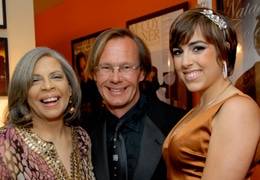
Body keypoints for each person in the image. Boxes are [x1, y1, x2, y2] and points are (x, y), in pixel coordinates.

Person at [162, 8, 260, 180]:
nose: (185, 62)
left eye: (197, 48)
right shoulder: (199, 109)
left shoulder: (237, 108)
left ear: (223, 51)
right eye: (178, 52)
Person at [82, 28, 185, 180]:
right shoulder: (83, 133)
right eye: (106, 67)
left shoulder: (178, 125)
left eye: (126, 67)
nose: (115, 78)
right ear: (94, 73)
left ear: (142, 73)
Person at [0, 47, 95, 179]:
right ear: (24, 92)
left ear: (70, 88)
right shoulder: (5, 143)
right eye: (35, 80)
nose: (48, 86)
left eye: (56, 77)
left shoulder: (82, 138)